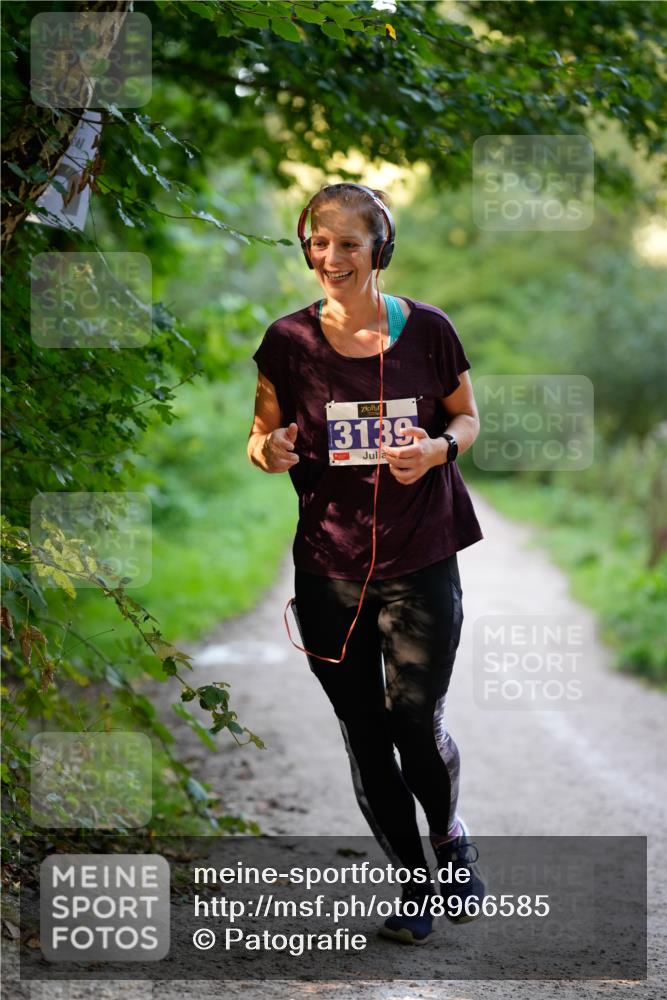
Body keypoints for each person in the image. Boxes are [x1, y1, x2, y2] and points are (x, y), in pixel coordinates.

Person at [247, 182, 486, 944]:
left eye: (347, 243)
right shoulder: (287, 342)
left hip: (421, 557)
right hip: (330, 567)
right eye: (317, 241)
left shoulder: (429, 331)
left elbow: (466, 415)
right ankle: (413, 883)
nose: (329, 257)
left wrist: (437, 449)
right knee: (363, 729)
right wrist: (270, 448)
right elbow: (259, 438)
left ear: (379, 249)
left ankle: (448, 836)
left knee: (414, 721)